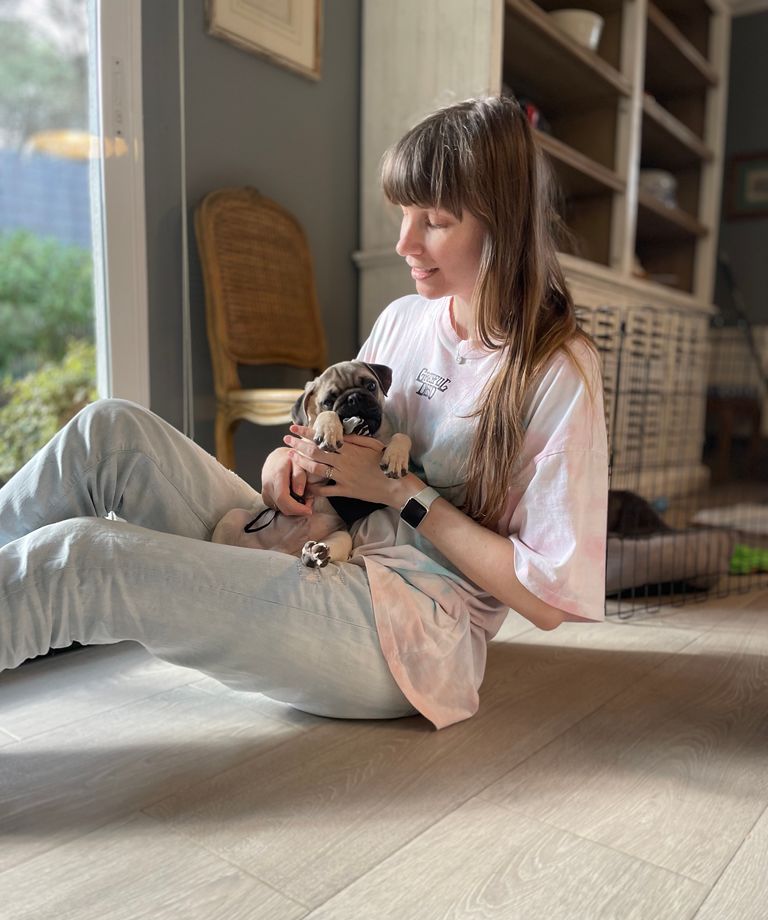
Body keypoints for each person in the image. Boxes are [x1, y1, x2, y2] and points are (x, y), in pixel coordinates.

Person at [0, 95, 608, 730]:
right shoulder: (405, 319)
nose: (404, 241)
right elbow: (325, 443)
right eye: (403, 213)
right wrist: (284, 466)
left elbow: (545, 602)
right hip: (305, 540)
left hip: (405, 626)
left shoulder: (557, 370)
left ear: (503, 226)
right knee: (110, 430)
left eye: (435, 219)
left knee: (85, 559)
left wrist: (402, 492)